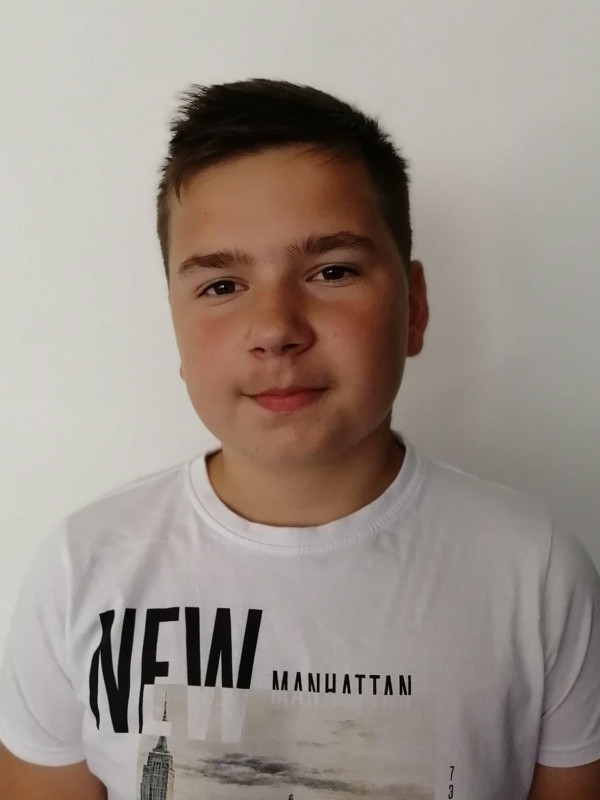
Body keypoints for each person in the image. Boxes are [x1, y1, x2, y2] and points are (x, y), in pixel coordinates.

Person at [1, 78, 599, 800]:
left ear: (414, 308)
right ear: (176, 327)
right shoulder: (82, 570)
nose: (276, 328)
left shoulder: (535, 572)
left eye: (332, 271)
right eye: (222, 285)